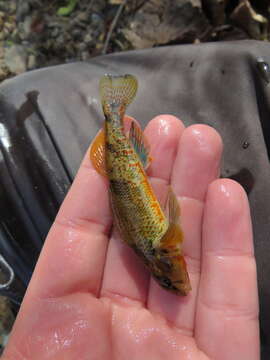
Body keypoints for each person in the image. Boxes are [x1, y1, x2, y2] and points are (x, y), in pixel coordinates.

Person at [1, 114, 259, 359]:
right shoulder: (162, 249)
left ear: (164, 264)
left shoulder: (163, 248)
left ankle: (113, 119)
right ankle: (114, 119)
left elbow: (171, 214)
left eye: (168, 282)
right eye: (170, 283)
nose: (179, 284)